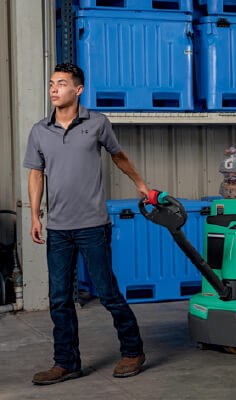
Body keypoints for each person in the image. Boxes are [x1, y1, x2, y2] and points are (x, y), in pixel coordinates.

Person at [24, 63, 149, 385]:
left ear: (78, 90)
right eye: (51, 83)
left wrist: (139, 183)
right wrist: (35, 214)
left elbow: (117, 155)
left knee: (107, 292)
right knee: (59, 298)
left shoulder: (97, 123)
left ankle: (133, 351)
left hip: (93, 225)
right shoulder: (40, 130)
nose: (54, 89)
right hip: (59, 228)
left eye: (61, 84)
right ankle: (66, 362)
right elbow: (36, 173)